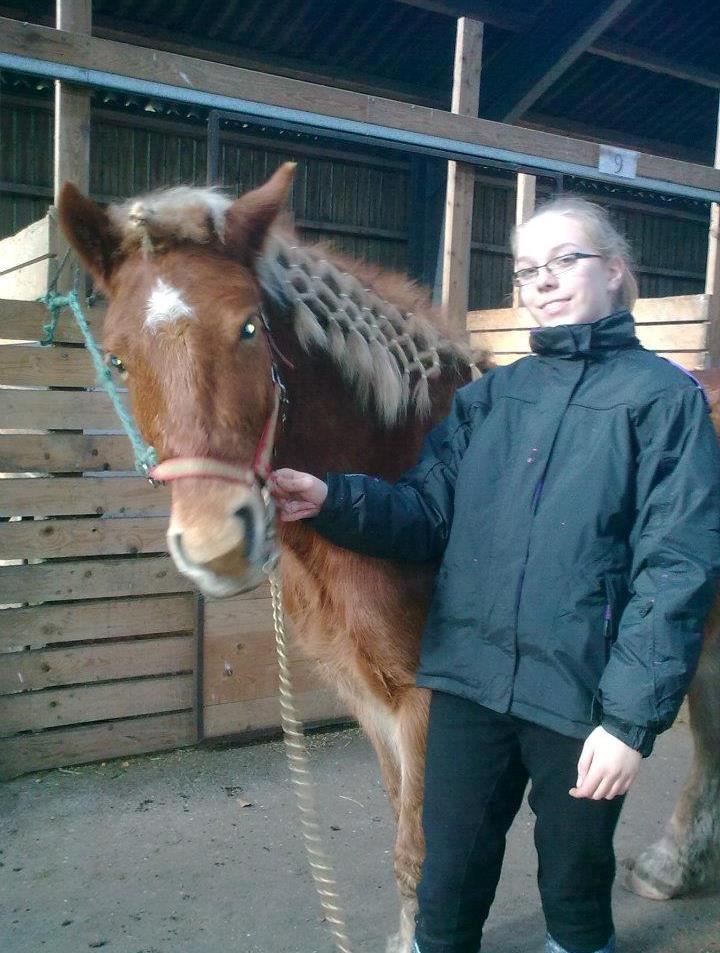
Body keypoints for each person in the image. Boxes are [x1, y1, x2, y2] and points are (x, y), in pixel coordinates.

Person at [268, 197, 720, 953]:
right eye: (526, 270)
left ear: (615, 272)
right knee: (447, 880)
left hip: (579, 700)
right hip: (472, 685)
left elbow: (677, 567)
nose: (541, 280)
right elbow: (425, 513)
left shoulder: (663, 401)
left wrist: (629, 723)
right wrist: (331, 497)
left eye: (563, 260)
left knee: (573, 885)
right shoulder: (489, 400)